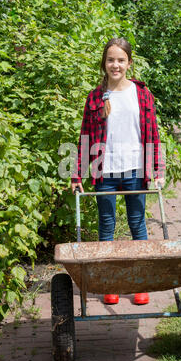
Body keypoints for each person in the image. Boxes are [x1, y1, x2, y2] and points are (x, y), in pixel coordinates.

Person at [71, 37, 165, 305]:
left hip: (136, 170)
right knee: (107, 226)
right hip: (105, 172)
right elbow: (85, 138)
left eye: (121, 60)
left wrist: (158, 170)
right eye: (111, 60)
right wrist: (76, 175)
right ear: (104, 63)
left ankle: (141, 283)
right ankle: (109, 283)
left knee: (138, 225)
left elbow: (153, 136)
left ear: (129, 63)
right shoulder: (95, 97)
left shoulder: (142, 94)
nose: (116, 65)